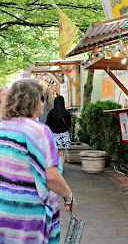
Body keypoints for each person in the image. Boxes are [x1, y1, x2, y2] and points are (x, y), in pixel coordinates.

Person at [0, 79, 75, 244]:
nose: (44, 102)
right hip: (29, 215)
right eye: (41, 97)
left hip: (3, 209)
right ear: (32, 101)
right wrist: (68, 196)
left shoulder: (2, 128)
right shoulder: (39, 131)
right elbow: (51, 177)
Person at [46, 96, 71, 167]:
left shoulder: (51, 112)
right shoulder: (67, 113)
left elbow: (47, 123)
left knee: (53, 155)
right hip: (64, 135)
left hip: (54, 135)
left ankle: (54, 171)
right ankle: (60, 171)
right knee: (61, 155)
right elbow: (69, 125)